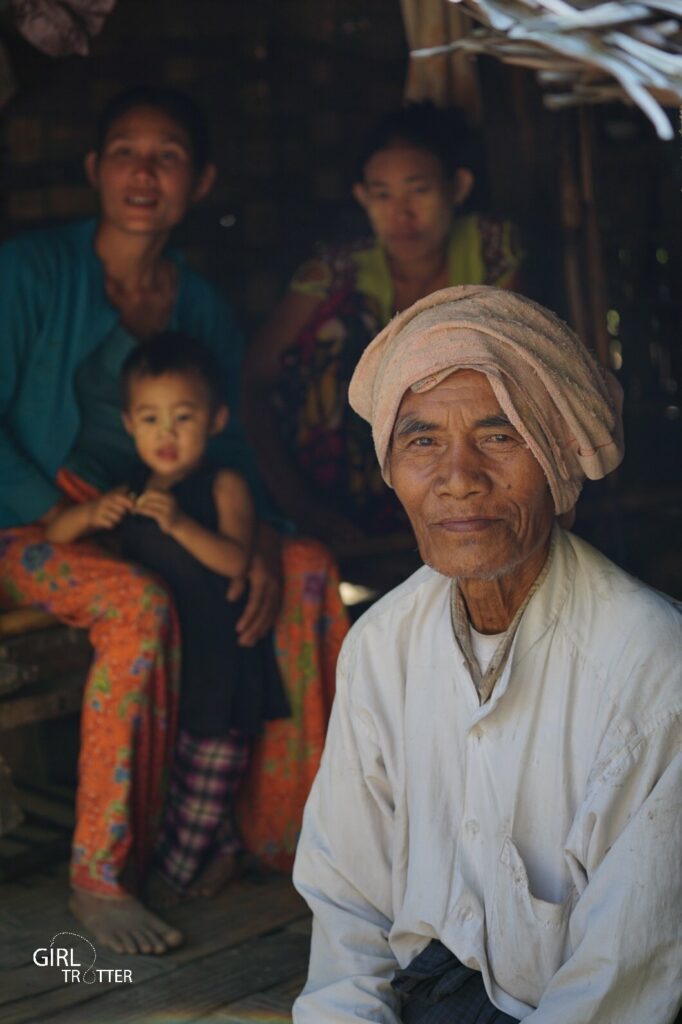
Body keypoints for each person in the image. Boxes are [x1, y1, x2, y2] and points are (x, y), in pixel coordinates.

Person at [0, 85, 348, 956]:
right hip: (38, 530)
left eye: (167, 156)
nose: (143, 172)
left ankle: (290, 831)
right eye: (124, 150)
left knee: (305, 564)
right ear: (93, 168)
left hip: (162, 524)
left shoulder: (199, 304)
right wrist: (59, 513)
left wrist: (261, 541)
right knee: (137, 605)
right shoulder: (29, 274)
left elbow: (228, 449)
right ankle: (100, 874)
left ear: (201, 181)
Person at [292, 286, 682, 1023]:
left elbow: (623, 980)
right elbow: (348, 901)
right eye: (422, 441)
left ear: (559, 458)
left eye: (499, 436)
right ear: (390, 467)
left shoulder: (654, 667)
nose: (459, 477)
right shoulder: (381, 646)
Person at [45, 332, 291, 899]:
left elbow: (236, 560)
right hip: (171, 672)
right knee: (182, 782)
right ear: (129, 424)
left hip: (222, 662)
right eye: (151, 419)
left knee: (199, 799)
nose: (167, 434)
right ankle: (224, 848)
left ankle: (197, 866)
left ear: (216, 419)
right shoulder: (127, 492)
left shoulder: (223, 484)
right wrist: (88, 514)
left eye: (183, 417)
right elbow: (56, 536)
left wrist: (179, 524)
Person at [242, 104, 523, 564]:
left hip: (471, 477)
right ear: (361, 197)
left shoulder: (491, 248)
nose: (402, 214)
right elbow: (255, 381)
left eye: (420, 190)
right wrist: (302, 506)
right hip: (341, 497)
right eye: (382, 195)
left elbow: (522, 368)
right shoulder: (337, 271)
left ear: (458, 188)